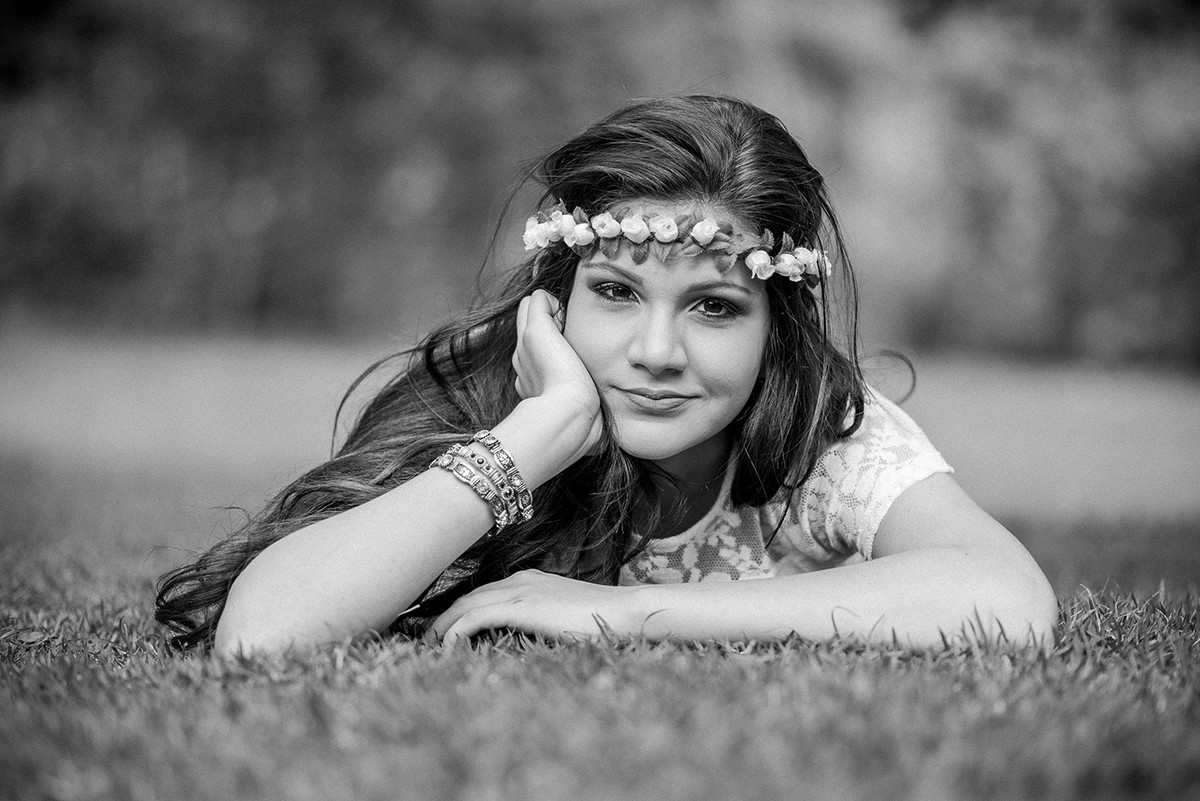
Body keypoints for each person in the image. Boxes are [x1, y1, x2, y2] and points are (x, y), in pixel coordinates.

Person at [156, 95, 1057, 657]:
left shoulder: (827, 440)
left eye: (713, 307)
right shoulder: (490, 405)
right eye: (618, 293)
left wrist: (620, 615)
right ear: (557, 302)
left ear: (776, 326)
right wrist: (535, 436)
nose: (658, 351)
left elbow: (1007, 601)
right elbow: (261, 637)